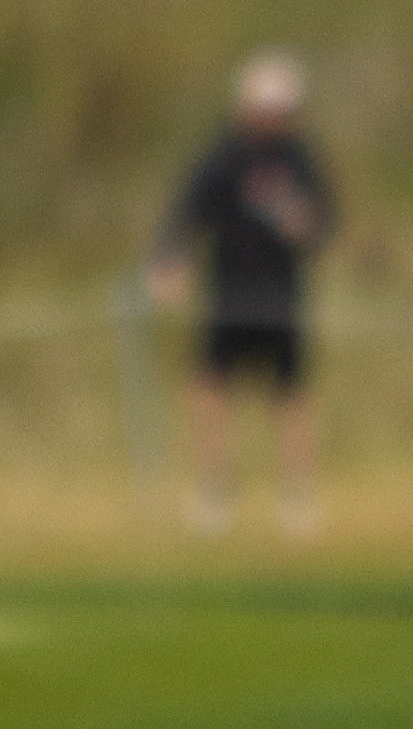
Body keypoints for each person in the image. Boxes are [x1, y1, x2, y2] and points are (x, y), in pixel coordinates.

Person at [147, 50, 336, 537]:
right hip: (227, 294)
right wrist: (169, 261)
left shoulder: (299, 160)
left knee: (291, 395)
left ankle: (297, 496)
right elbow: (187, 212)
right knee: (211, 388)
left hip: (282, 295)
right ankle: (214, 492)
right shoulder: (224, 157)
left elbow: (324, 225)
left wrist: (306, 226)